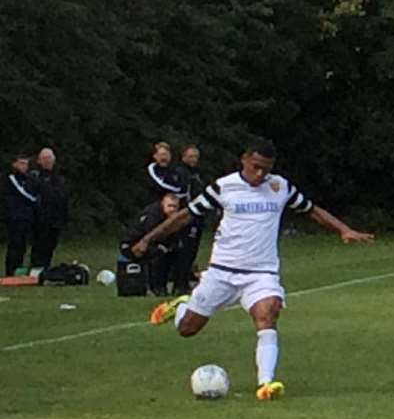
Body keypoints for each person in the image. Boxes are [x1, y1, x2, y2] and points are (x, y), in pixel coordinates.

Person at [132, 140, 375, 400]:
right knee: (187, 329)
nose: (260, 174)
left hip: (261, 274)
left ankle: (266, 384)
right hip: (221, 272)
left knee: (268, 314)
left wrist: (344, 229)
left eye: (266, 169)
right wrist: (148, 239)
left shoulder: (279, 187)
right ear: (245, 160)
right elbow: (186, 215)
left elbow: (311, 209)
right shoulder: (223, 187)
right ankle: (181, 306)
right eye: (256, 167)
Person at [120, 193, 181, 295]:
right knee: (158, 253)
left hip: (150, 244)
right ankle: (155, 287)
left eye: (175, 207)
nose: (172, 209)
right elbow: (150, 236)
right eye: (169, 206)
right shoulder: (152, 215)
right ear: (162, 204)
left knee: (175, 253)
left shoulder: (172, 217)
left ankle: (173, 285)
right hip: (131, 244)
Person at [172, 144, 205, 295]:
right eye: (190, 156)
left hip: (198, 216)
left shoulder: (196, 173)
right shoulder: (181, 172)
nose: (194, 160)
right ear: (183, 157)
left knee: (191, 251)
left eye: (196, 157)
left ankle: (185, 281)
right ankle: (180, 284)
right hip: (188, 216)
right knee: (184, 250)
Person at [29, 148, 69, 269]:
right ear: (39, 160)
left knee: (51, 244)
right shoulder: (35, 177)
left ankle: (46, 268)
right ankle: (36, 269)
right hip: (39, 219)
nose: (47, 161)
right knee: (39, 245)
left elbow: (63, 198)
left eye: (49, 158)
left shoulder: (59, 177)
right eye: (44, 158)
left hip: (55, 219)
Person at [3, 154, 38, 276]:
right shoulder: (10, 179)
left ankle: (18, 270)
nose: (24, 167)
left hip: (26, 218)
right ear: (14, 164)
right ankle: (10, 271)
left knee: (22, 246)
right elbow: (27, 196)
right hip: (14, 218)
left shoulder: (28, 179)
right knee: (14, 245)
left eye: (26, 164)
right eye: (21, 163)